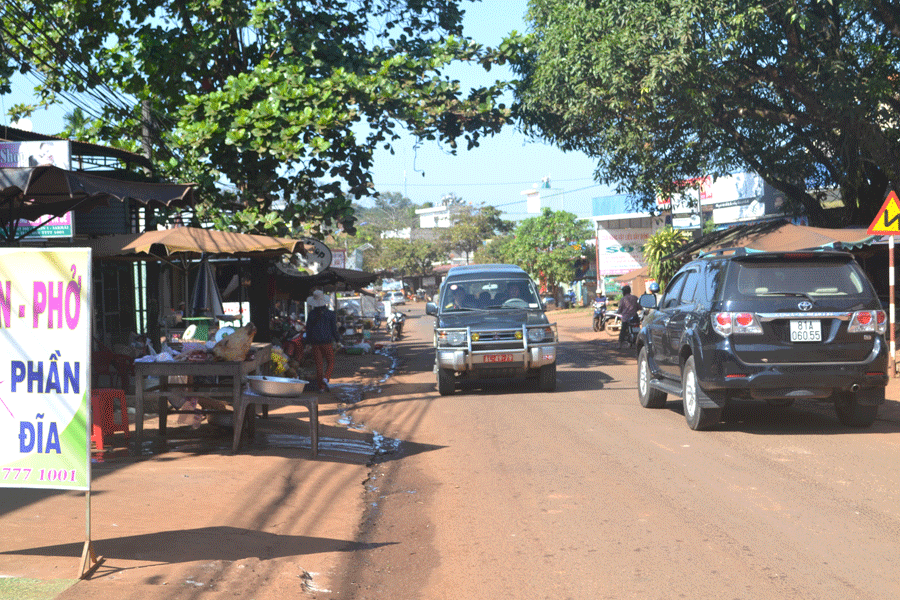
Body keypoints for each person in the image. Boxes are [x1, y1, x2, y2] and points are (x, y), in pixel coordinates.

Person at [304, 290, 340, 392]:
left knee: (319, 365)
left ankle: (321, 388)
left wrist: (307, 343)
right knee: (331, 362)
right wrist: (337, 340)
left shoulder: (311, 314)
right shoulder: (331, 314)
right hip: (327, 342)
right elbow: (334, 329)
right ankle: (326, 378)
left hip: (315, 343)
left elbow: (308, 330)